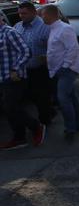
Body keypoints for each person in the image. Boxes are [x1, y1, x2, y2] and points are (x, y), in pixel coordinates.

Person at [0, 16, 46, 150]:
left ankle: (36, 126)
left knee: (10, 106)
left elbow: (26, 51)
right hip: (2, 77)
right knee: (8, 108)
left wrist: (16, 68)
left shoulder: (10, 32)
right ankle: (19, 138)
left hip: (15, 77)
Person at [42, 4, 79, 140]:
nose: (42, 17)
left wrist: (65, 66)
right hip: (58, 70)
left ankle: (70, 128)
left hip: (67, 70)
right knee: (70, 96)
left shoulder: (65, 29)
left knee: (63, 98)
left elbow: (72, 49)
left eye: (43, 15)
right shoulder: (53, 29)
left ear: (51, 15)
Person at [15, 2, 55, 125]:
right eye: (20, 13)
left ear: (33, 12)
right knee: (29, 95)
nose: (21, 16)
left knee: (41, 96)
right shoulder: (17, 27)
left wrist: (49, 58)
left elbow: (55, 47)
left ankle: (45, 122)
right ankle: (50, 110)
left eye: (24, 13)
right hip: (23, 69)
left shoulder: (46, 26)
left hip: (41, 69)